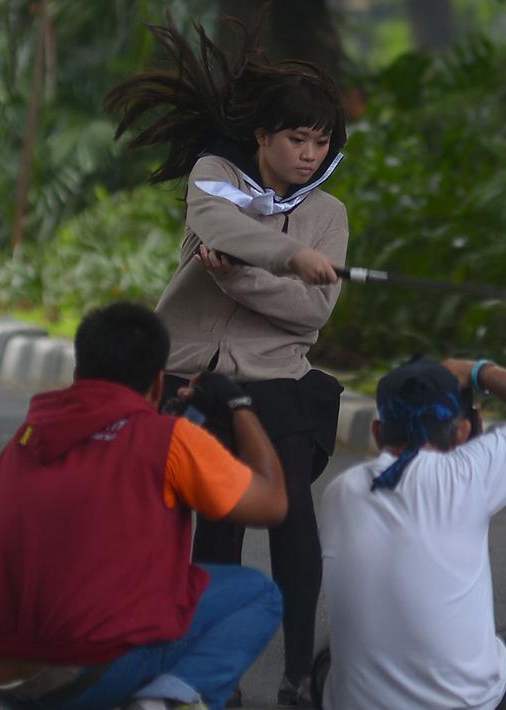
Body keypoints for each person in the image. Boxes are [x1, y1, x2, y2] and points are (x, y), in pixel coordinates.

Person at [105, 17, 349, 707]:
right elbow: (219, 228)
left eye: (319, 141)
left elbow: (310, 315)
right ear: (262, 137)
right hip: (187, 378)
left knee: (291, 512)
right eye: (295, 139)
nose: (307, 154)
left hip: (276, 380)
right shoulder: (216, 178)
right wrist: (288, 258)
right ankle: (213, 679)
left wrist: (240, 278)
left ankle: (299, 673)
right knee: (212, 524)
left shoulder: (327, 212)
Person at [0, 302, 289, 710]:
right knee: (257, 594)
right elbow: (272, 504)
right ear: (158, 382)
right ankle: (163, 701)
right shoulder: (167, 438)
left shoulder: (30, 432)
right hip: (84, 669)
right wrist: (239, 406)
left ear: (78, 374)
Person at [319, 356, 506, 709]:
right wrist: (476, 371)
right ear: (464, 431)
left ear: (376, 432)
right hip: (466, 702)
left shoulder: (341, 491)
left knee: (329, 658)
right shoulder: (467, 475)